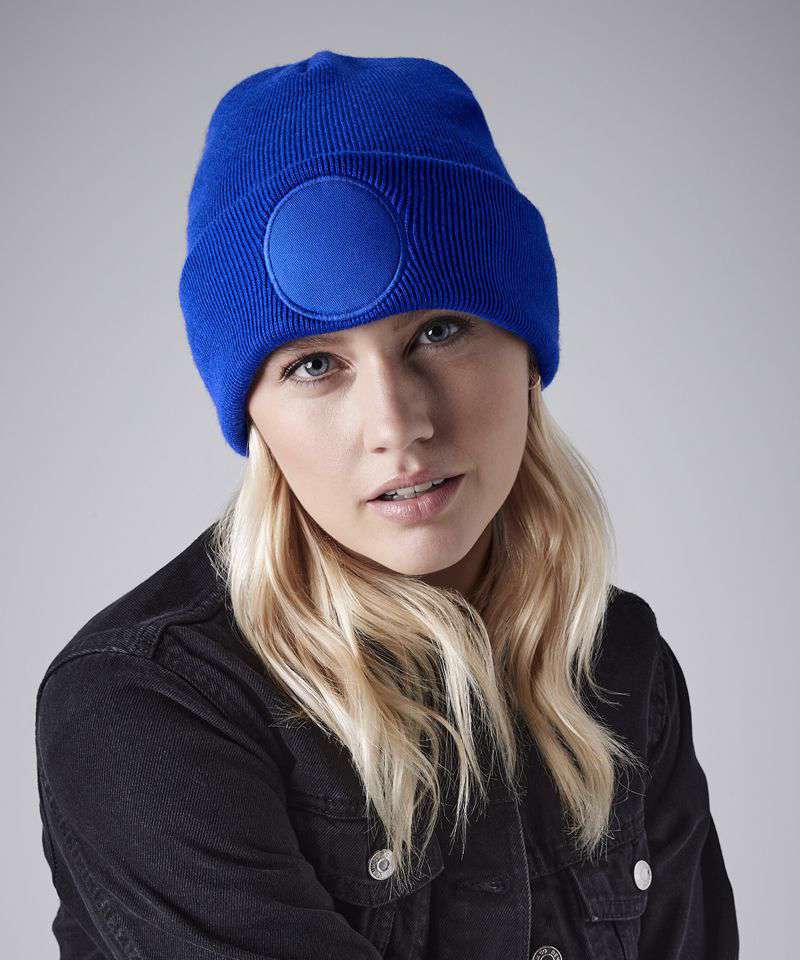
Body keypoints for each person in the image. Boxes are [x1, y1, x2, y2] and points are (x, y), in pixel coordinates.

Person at [34, 50, 739, 960]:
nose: (398, 426)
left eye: (439, 330)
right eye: (314, 365)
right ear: (254, 416)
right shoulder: (148, 706)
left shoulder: (617, 665)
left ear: (527, 351)